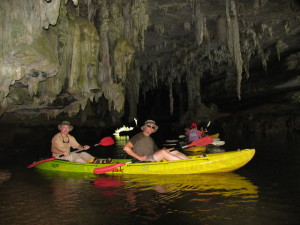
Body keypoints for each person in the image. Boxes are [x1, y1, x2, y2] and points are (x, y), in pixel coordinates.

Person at [123, 120, 190, 162]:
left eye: (153, 127)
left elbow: (156, 151)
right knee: (163, 153)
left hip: (152, 157)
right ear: (144, 127)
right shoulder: (138, 136)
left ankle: (189, 161)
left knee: (172, 150)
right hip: (143, 160)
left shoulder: (150, 139)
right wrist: (139, 157)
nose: (151, 128)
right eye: (149, 126)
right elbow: (126, 148)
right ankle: (185, 164)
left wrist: (166, 150)